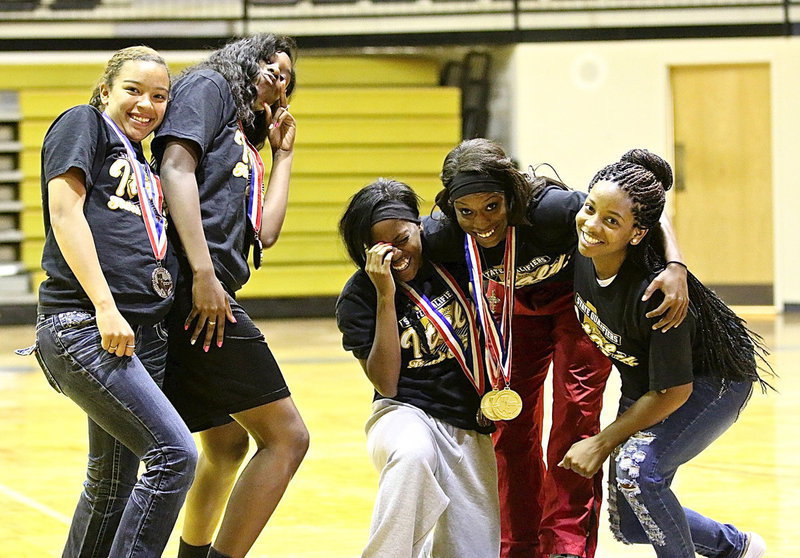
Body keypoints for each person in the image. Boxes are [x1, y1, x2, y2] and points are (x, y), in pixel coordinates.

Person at [423, 138, 689, 558]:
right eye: (467, 211)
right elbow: (395, 243)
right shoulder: (444, 234)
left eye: (493, 206)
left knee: (575, 413)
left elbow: (640, 210)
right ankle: (518, 544)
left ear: (511, 194)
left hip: (577, 308)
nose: (481, 222)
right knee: (510, 426)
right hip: (514, 313)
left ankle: (566, 545)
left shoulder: (554, 208)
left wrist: (676, 265)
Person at [21, 46, 197, 557]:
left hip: (142, 335)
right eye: (134, 90)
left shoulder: (142, 163)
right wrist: (104, 305)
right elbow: (65, 212)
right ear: (105, 91)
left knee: (111, 486)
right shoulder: (84, 124)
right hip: (87, 325)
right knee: (174, 455)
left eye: (159, 96)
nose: (147, 104)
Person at [559, 148, 769, 558]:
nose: (592, 224)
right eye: (589, 208)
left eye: (612, 221)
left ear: (638, 233)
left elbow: (674, 392)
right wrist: (678, 260)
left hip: (708, 383)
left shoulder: (658, 298)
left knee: (637, 472)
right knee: (632, 523)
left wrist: (601, 443)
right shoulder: (585, 239)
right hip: (649, 379)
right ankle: (735, 547)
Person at [153, 34, 309, 558]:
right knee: (288, 438)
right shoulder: (209, 84)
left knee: (226, 445)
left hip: (207, 288)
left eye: (287, 74)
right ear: (242, 58)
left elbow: (264, 232)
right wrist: (201, 273)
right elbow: (175, 167)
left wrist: (283, 155)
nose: (278, 75)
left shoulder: (245, 136)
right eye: (270, 61)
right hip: (193, 289)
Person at [336, 178, 501, 558]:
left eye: (402, 239)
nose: (396, 254)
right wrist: (386, 296)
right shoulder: (359, 295)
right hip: (403, 413)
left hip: (468, 422)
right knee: (412, 454)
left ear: (419, 228)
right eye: (381, 248)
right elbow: (386, 383)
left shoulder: (454, 259)